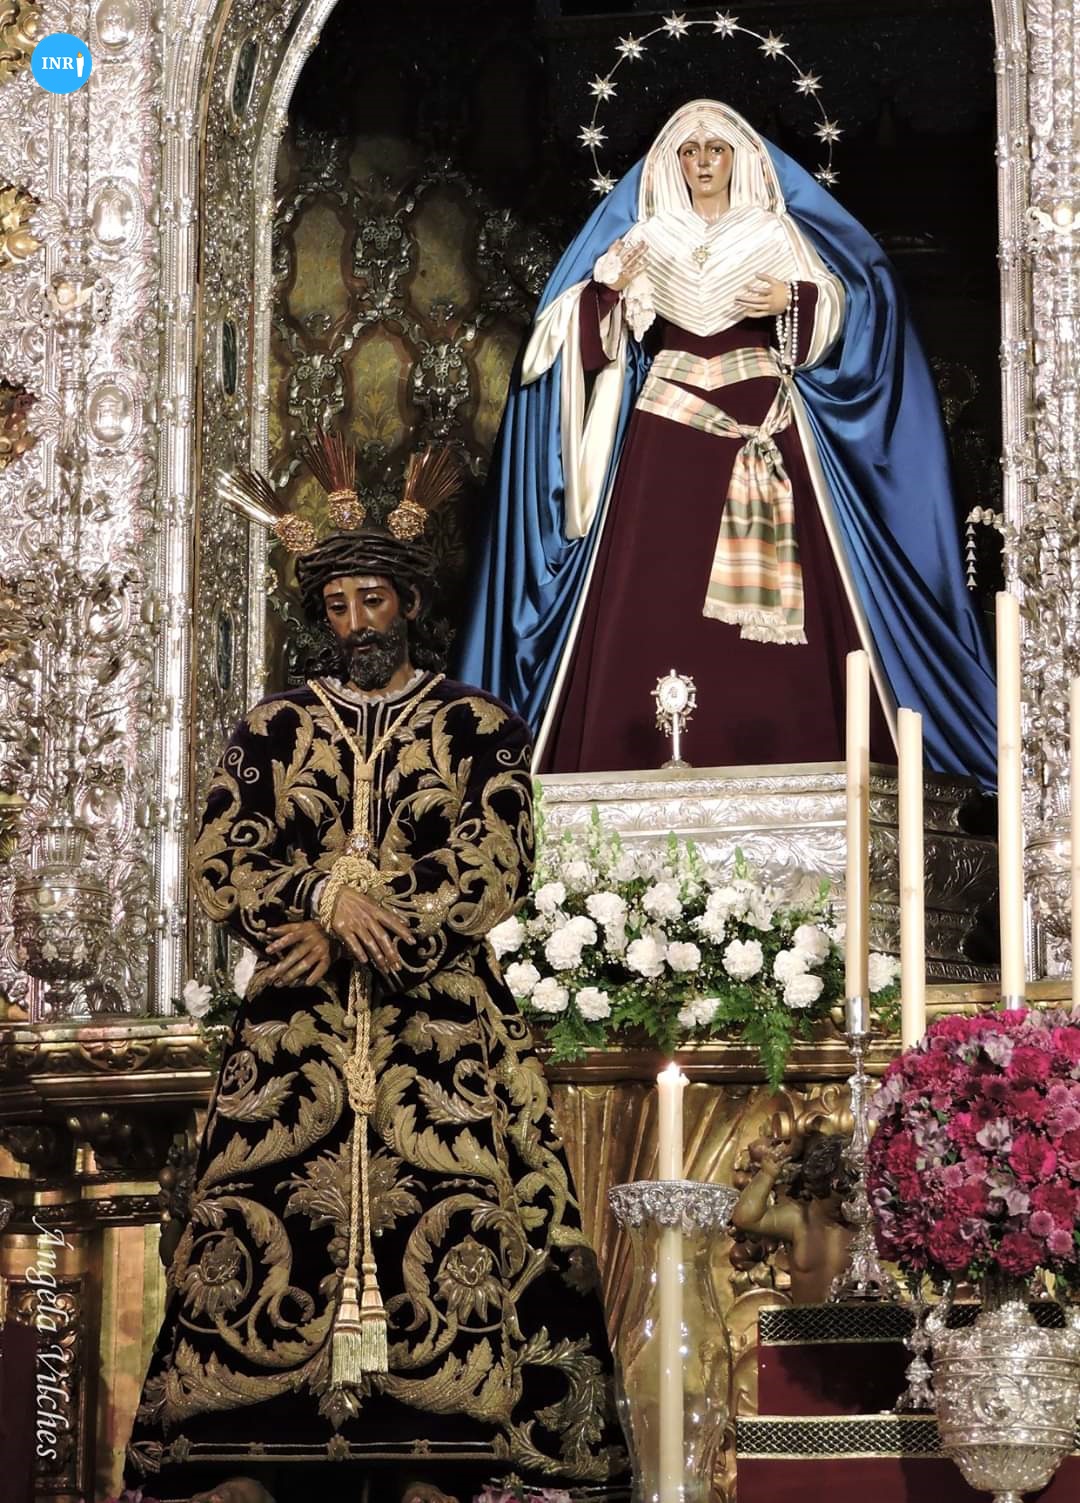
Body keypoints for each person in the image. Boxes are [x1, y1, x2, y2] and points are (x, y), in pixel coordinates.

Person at [124, 451, 628, 1503]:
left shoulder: (480, 727)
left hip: (438, 1027)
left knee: (468, 1212)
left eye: (372, 600)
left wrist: (364, 921)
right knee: (256, 1226)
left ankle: (457, 1452)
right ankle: (248, 1451)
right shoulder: (270, 729)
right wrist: (317, 900)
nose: (355, 623)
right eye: (339, 606)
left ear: (409, 603)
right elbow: (222, 855)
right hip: (295, 1033)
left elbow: (497, 859)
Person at [455, 99, 996, 784]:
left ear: (739, 158)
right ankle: (626, 759)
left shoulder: (773, 230)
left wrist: (793, 302)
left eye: (716, 149)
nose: (703, 162)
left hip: (760, 411)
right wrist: (605, 293)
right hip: (668, 422)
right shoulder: (649, 236)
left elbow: (838, 308)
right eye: (690, 151)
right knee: (655, 579)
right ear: (672, 163)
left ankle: (792, 752)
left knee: (799, 584)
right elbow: (589, 346)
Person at [731, 1131, 853, 1305]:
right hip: (805, 1320)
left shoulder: (861, 1223)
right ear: (817, 1187)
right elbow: (745, 1219)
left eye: (850, 1196)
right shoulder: (798, 1220)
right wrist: (767, 1175)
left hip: (858, 1320)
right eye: (836, 1200)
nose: (846, 1204)